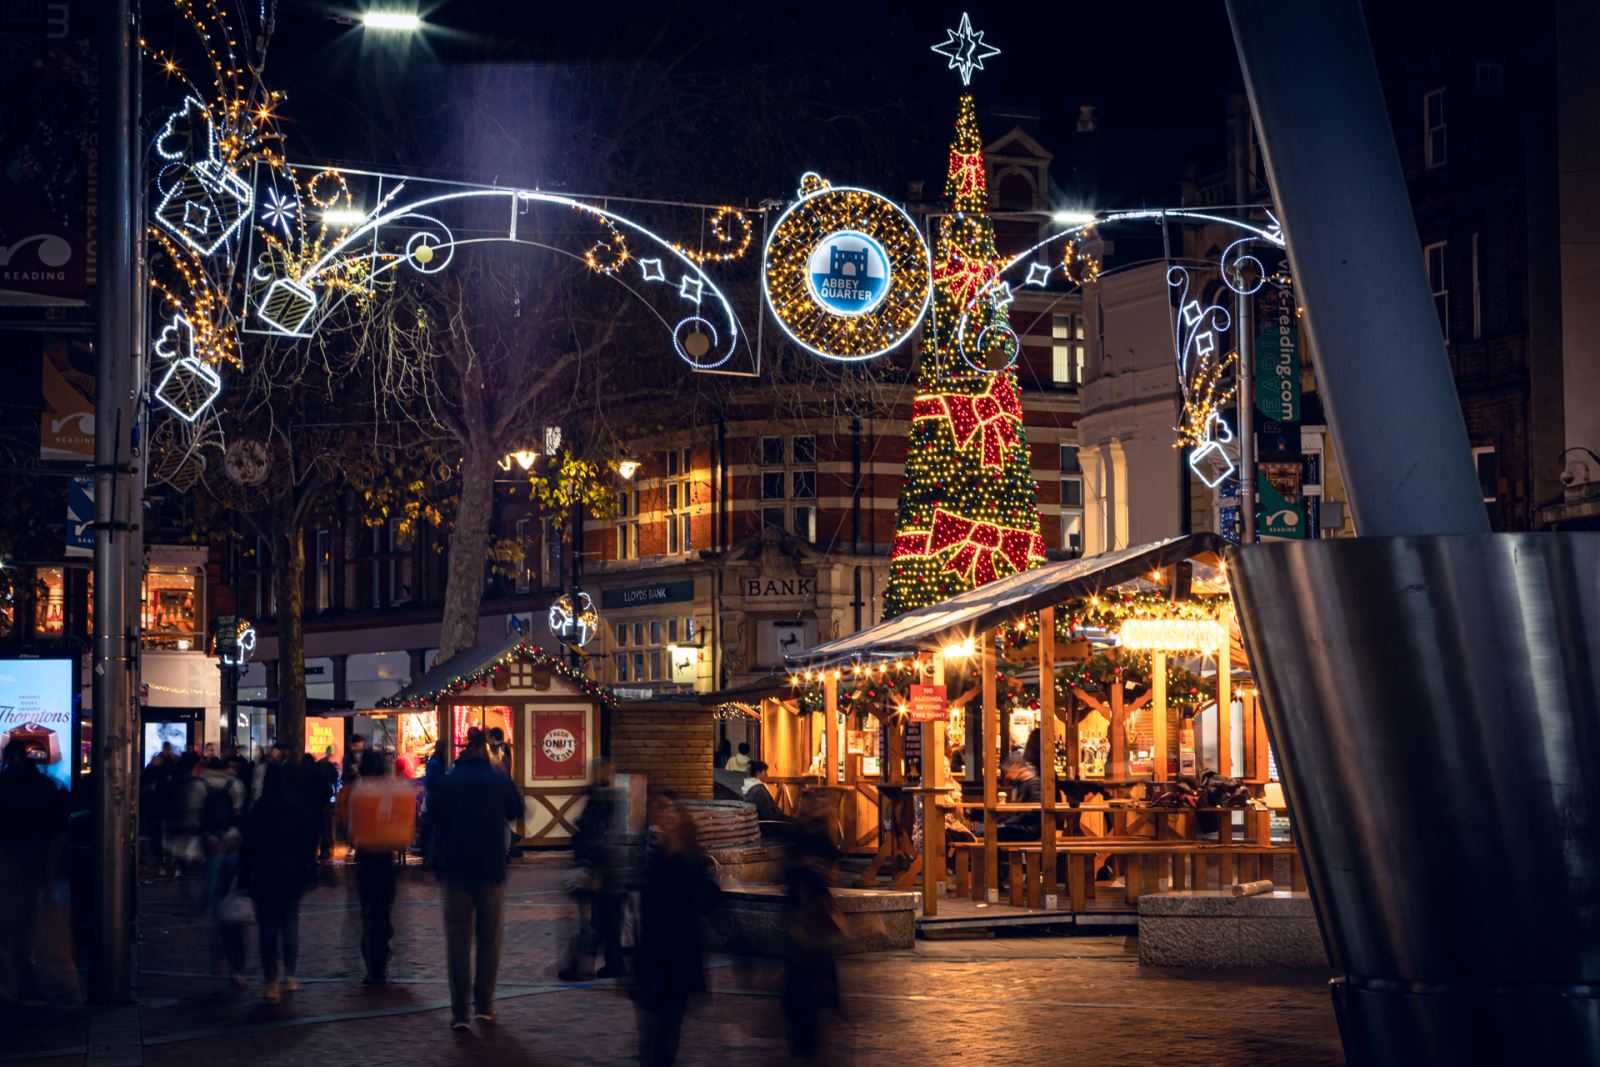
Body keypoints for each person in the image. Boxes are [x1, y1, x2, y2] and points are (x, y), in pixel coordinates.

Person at [429, 727, 523, 1030]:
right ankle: (484, 1004)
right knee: (489, 940)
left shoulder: (449, 782)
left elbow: (432, 817)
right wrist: (501, 772)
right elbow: (517, 809)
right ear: (486, 749)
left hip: (456, 870)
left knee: (458, 944)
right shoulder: (496, 780)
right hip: (491, 870)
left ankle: (459, 1013)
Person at [633, 794, 719, 1066]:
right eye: (661, 814)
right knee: (654, 1029)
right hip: (655, 954)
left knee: (666, 1028)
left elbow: (709, 899)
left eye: (671, 815)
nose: (665, 820)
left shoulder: (687, 860)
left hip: (677, 954)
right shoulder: (657, 856)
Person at [240, 760, 317, 1002]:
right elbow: (307, 839)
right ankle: (290, 976)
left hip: (265, 873)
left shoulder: (260, 806)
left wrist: (244, 875)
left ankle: (270, 981)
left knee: (268, 929)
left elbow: (249, 844)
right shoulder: (296, 804)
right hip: (292, 872)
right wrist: (308, 867)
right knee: (289, 925)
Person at [0, 739, 71, 1004]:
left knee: (14, 921)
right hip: (32, 858)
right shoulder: (44, 786)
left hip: (12, 856)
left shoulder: (8, 785)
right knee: (24, 922)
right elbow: (57, 826)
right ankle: (25, 977)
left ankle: (20, 976)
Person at [559, 760, 625, 982]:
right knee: (606, 921)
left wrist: (591, 867)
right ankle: (611, 964)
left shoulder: (601, 798)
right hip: (607, 868)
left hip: (601, 868)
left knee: (599, 922)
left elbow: (595, 834)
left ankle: (582, 967)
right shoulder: (607, 796)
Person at [347, 749, 406, 985]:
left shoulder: (359, 791)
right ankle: (382, 958)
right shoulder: (391, 789)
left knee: (368, 912)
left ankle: (373, 965)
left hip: (366, 856)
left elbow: (352, 831)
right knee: (384, 910)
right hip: (385, 857)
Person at [996, 756, 1042, 841]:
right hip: (1021, 825)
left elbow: (1034, 812)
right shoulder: (1020, 782)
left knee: (991, 833)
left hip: (1030, 829)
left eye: (1008, 771)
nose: (1007, 776)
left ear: (1016, 767)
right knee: (987, 831)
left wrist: (1006, 823)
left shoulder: (1033, 783)